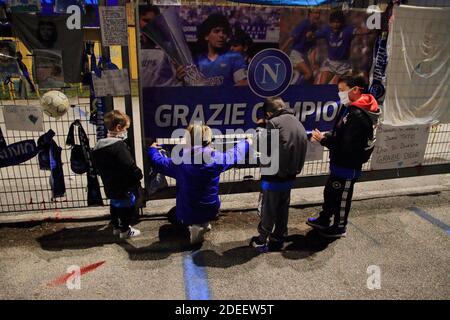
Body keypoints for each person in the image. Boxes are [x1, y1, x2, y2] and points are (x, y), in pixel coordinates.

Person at [148, 123, 251, 244]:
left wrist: (152, 150)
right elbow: (235, 154)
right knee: (202, 205)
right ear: (208, 140)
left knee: (172, 215)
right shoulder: (217, 159)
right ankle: (204, 223)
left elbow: (159, 162)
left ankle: (195, 226)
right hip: (211, 209)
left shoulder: (180, 162)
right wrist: (247, 142)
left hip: (188, 212)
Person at [307, 75, 381, 238]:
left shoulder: (359, 116)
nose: (339, 94)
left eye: (342, 90)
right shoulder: (350, 108)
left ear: (355, 90)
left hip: (348, 165)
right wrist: (327, 136)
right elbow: (341, 133)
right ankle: (324, 218)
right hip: (338, 162)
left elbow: (347, 145)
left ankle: (340, 226)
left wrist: (324, 140)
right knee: (330, 192)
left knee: (342, 197)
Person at [250, 97, 308, 252]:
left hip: (274, 174)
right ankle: (278, 237)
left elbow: (261, 147)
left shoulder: (274, 123)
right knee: (283, 208)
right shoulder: (297, 122)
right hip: (291, 174)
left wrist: (259, 129)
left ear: (269, 113)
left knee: (268, 208)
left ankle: (262, 240)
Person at [92, 110, 143, 239]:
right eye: (126, 128)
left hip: (109, 183)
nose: (126, 131)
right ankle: (125, 230)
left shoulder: (99, 146)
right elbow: (129, 166)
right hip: (123, 184)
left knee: (114, 203)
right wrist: (138, 175)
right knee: (128, 205)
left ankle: (115, 226)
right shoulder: (119, 146)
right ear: (118, 128)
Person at [178, 13, 247, 86]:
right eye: (216, 31)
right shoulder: (195, 60)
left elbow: (243, 83)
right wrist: (182, 79)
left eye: (224, 32)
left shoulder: (234, 57)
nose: (221, 35)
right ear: (206, 36)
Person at [310, 10, 372, 84]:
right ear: (330, 23)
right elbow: (314, 35)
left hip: (344, 64)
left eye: (338, 22)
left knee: (343, 86)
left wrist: (369, 31)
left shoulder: (347, 30)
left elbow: (359, 31)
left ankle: (360, 76)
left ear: (342, 23)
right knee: (321, 85)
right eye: (333, 22)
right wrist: (310, 35)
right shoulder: (326, 30)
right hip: (330, 63)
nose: (336, 24)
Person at [139, 4, 180, 87]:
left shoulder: (168, 47)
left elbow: (177, 78)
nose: (149, 24)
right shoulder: (135, 46)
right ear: (138, 21)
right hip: (144, 96)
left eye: (153, 21)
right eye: (146, 20)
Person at [280, 9, 321, 84]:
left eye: (319, 13)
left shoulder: (315, 27)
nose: (317, 15)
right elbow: (291, 38)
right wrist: (281, 51)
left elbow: (313, 48)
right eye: (315, 13)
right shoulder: (304, 24)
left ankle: (304, 92)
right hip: (296, 54)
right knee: (308, 74)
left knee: (311, 77)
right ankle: (295, 91)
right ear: (310, 14)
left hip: (304, 55)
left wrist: (313, 63)